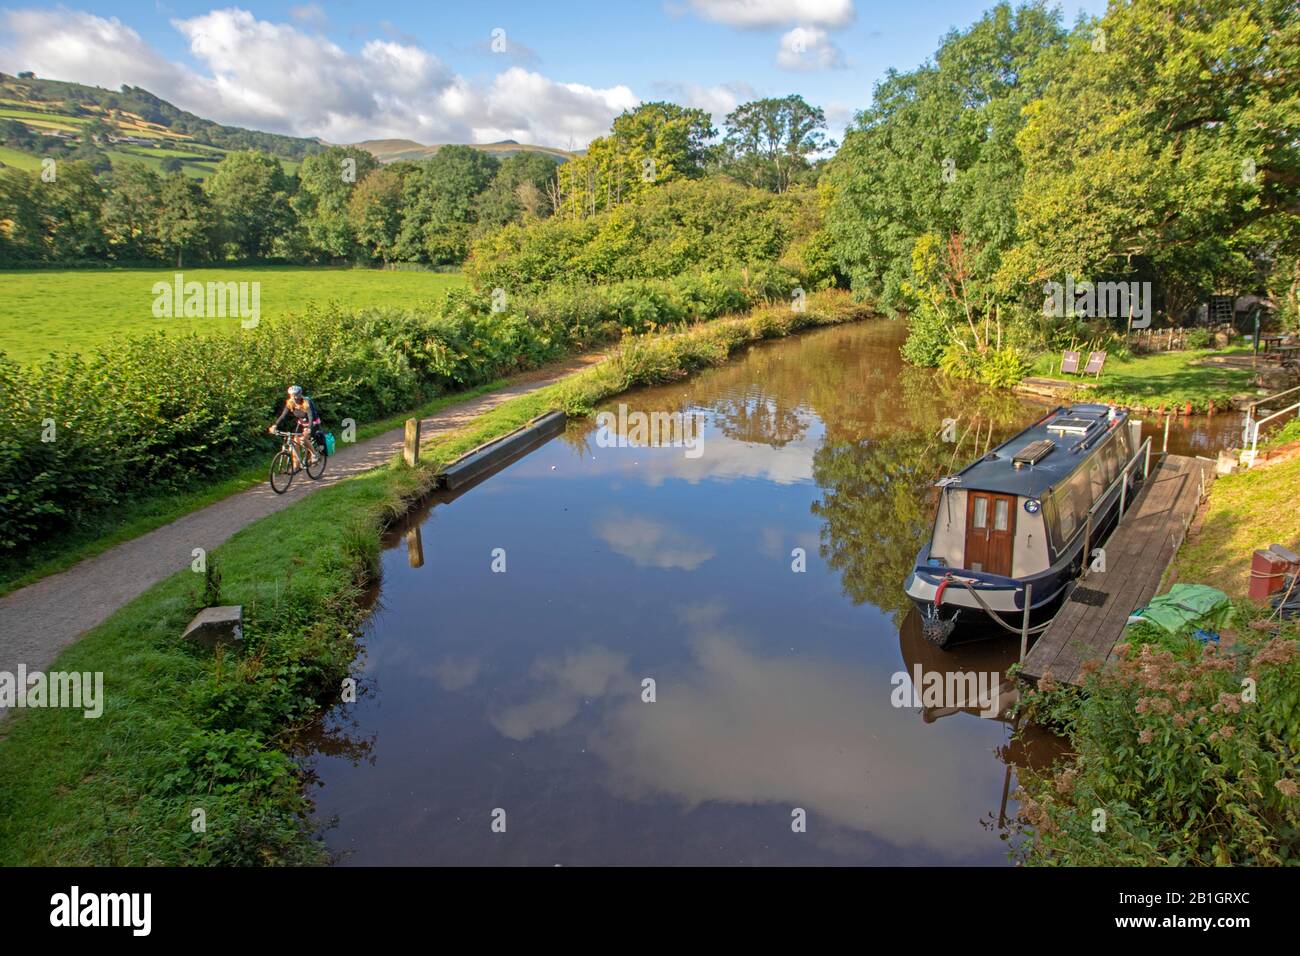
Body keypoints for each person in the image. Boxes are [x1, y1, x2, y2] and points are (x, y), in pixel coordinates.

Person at [268, 385, 324, 468]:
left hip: (313, 423)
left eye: (295, 395)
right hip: (301, 424)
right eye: (291, 395)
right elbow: (283, 416)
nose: (293, 397)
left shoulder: (306, 403)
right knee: (295, 441)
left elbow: (311, 416)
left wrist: (309, 429)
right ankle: (296, 464)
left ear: (300, 394)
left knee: (304, 439)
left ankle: (314, 455)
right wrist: (275, 425)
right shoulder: (290, 403)